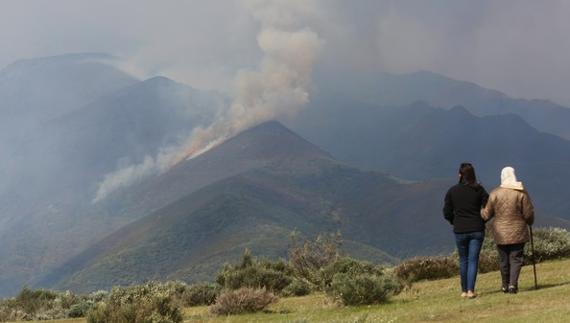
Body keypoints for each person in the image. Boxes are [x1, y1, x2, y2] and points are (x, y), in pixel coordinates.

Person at [482, 166, 534, 294]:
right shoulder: (521, 192)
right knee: (516, 259)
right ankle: (512, 285)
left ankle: (505, 285)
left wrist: (478, 209)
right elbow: (528, 214)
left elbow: (486, 215)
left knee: (503, 259)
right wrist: (530, 221)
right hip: (518, 231)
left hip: (500, 232)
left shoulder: (494, 193)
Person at [443, 163, 489, 298]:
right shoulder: (479, 190)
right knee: (473, 260)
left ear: (460, 175)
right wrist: (482, 220)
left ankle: (463, 291)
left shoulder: (452, 191)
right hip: (476, 229)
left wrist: (454, 221)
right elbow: (488, 207)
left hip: (460, 229)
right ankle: (470, 290)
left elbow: (446, 212)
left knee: (463, 260)